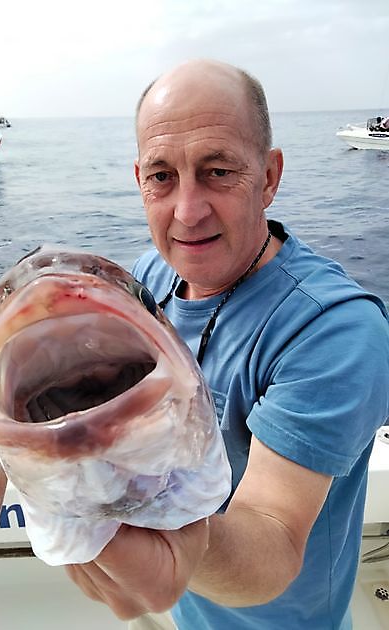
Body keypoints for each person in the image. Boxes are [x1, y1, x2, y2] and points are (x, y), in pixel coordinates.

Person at [65, 59, 389, 629]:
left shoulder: (335, 330)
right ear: (139, 178)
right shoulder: (152, 278)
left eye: (217, 171)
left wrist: (152, 527)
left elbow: (274, 540)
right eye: (162, 177)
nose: (187, 212)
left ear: (269, 177)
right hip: (185, 607)